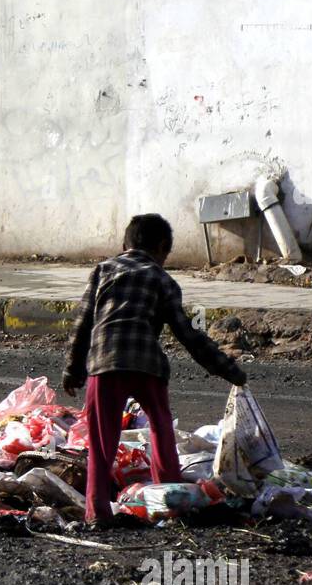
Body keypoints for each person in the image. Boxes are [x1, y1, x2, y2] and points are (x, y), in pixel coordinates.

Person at [62, 213, 246, 528]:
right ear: (162, 248)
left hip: (104, 365)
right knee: (161, 430)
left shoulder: (103, 271)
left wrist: (73, 369)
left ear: (124, 245)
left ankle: (96, 513)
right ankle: (170, 502)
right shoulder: (163, 280)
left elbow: (82, 324)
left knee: (102, 441)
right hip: (148, 367)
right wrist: (229, 370)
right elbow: (189, 336)